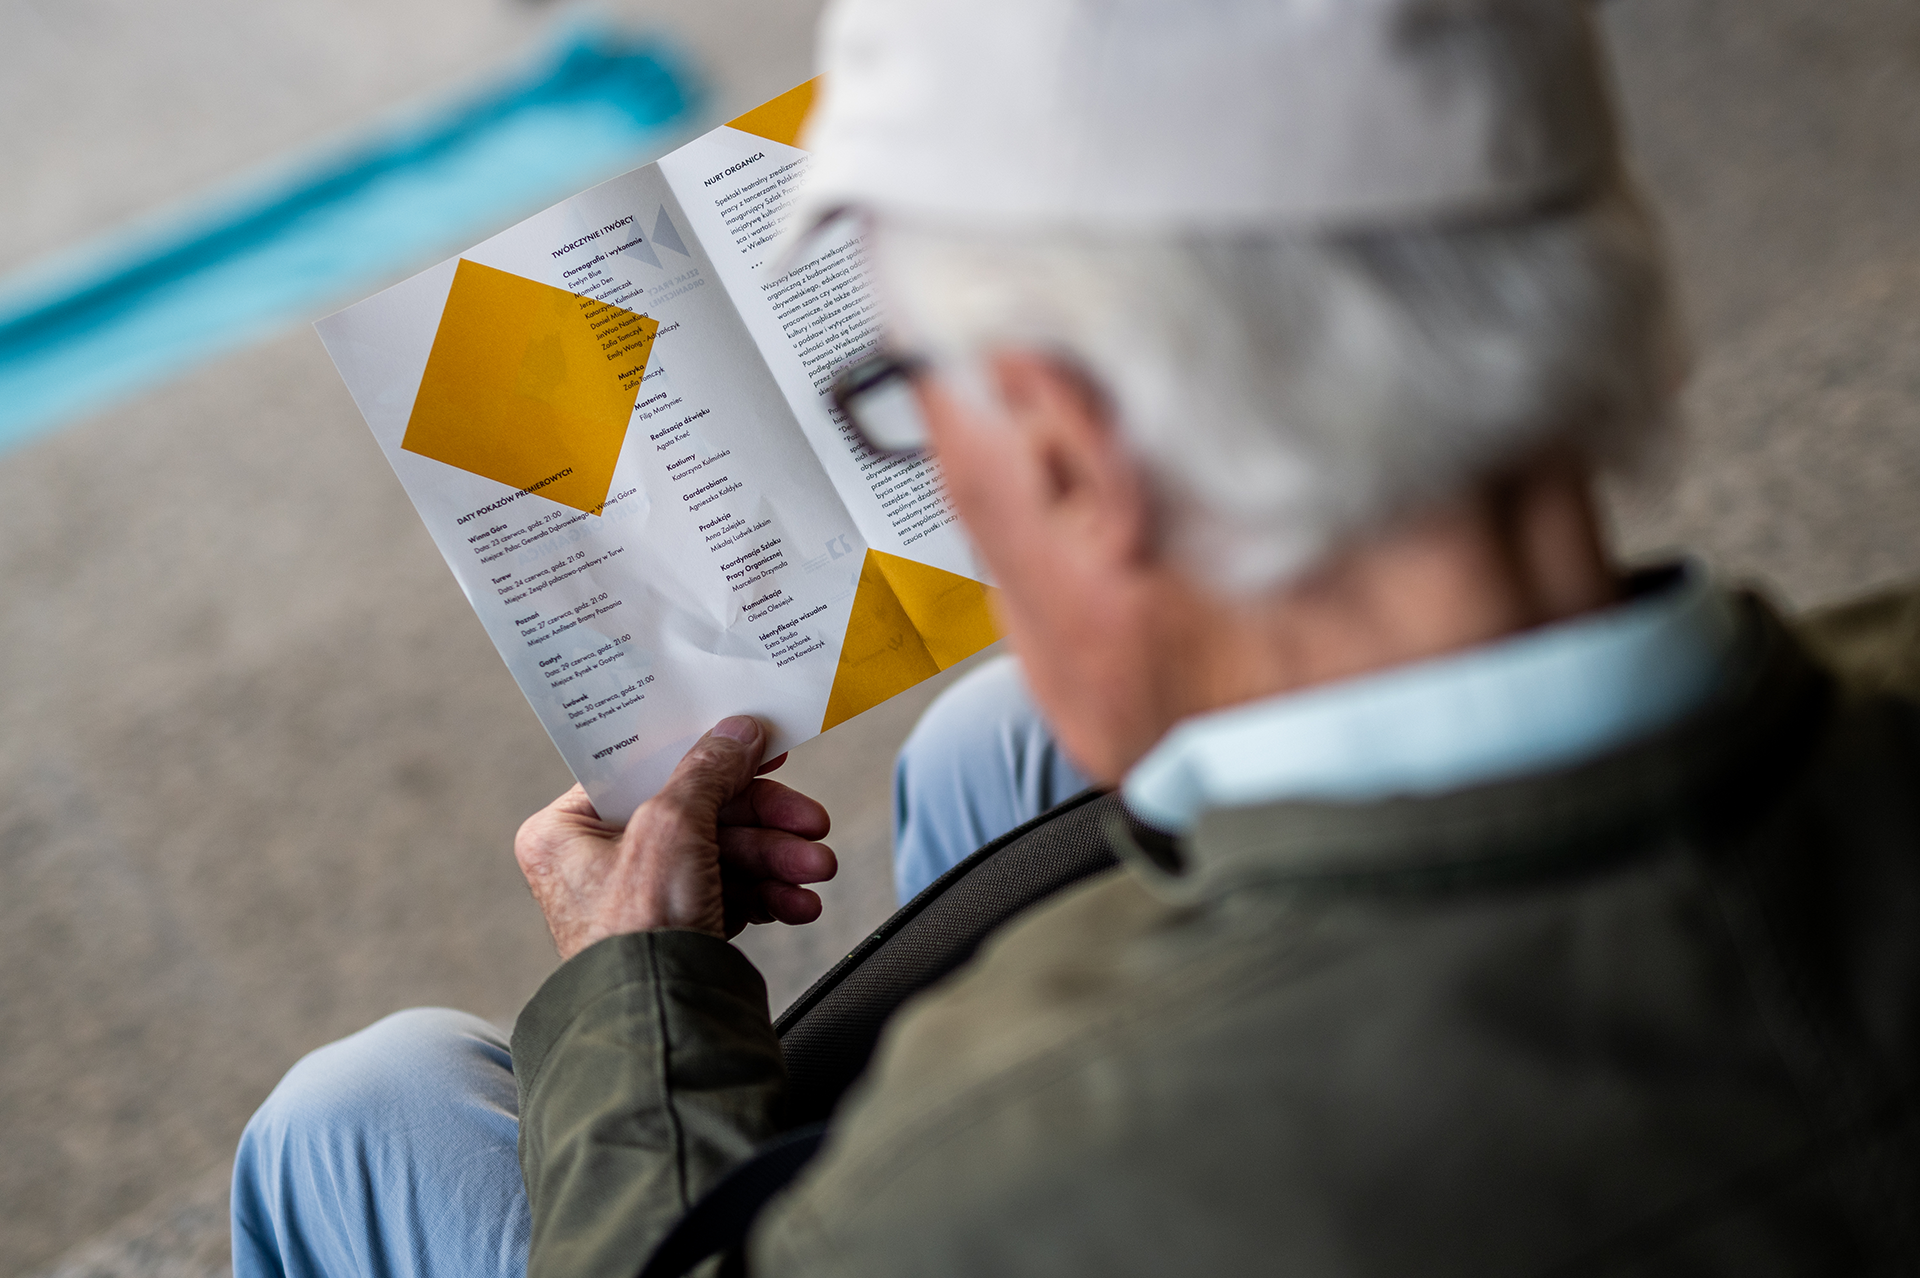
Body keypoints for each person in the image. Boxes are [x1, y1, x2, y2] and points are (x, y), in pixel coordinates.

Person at [232, 0, 1920, 1275]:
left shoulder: (957, 1198)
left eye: (899, 399)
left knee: (359, 1121)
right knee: (999, 746)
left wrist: (633, 996)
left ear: (1065, 454)